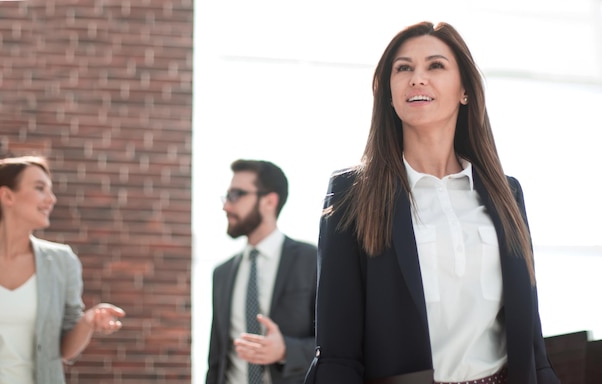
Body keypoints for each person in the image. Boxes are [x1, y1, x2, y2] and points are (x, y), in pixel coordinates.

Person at [304, 21, 560, 384]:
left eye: (435, 66)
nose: (417, 78)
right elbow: (337, 355)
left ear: (465, 91)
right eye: (403, 68)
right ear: (389, 93)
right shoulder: (351, 194)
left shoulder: (508, 194)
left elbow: (533, 346)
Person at [0, 155, 126, 384]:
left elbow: (65, 351)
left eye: (51, 190)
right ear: (7, 196)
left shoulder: (62, 262)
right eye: (40, 188)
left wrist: (88, 321)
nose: (51, 199)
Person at [206, 159, 317, 384]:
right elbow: (216, 360)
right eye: (227, 196)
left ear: (269, 201)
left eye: (236, 195)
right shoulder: (222, 274)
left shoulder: (312, 261)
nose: (226, 206)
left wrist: (286, 350)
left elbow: (339, 346)